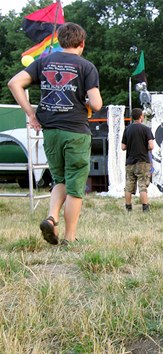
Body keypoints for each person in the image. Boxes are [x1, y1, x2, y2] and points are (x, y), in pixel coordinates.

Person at [7, 22, 102, 246]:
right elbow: (96, 104)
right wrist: (86, 101)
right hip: (76, 132)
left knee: (59, 179)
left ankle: (52, 218)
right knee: (75, 186)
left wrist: (31, 113)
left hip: (50, 132)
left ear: (60, 41)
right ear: (82, 43)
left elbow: (14, 83)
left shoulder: (43, 62)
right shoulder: (86, 66)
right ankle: (69, 238)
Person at [121, 108, 155, 212]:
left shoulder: (127, 129)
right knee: (142, 185)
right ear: (141, 116)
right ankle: (145, 208)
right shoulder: (146, 129)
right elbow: (151, 146)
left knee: (129, 185)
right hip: (142, 161)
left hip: (130, 162)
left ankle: (128, 208)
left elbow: (123, 147)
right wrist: (144, 147)